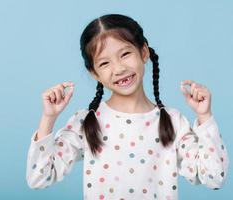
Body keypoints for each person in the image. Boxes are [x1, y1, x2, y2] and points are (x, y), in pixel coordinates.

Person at [26, 14, 229, 200]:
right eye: (104, 63)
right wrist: (48, 118)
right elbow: (39, 178)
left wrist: (205, 117)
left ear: (143, 52)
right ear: (94, 73)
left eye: (125, 54)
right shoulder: (86, 122)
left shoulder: (173, 122)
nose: (119, 68)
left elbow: (213, 177)